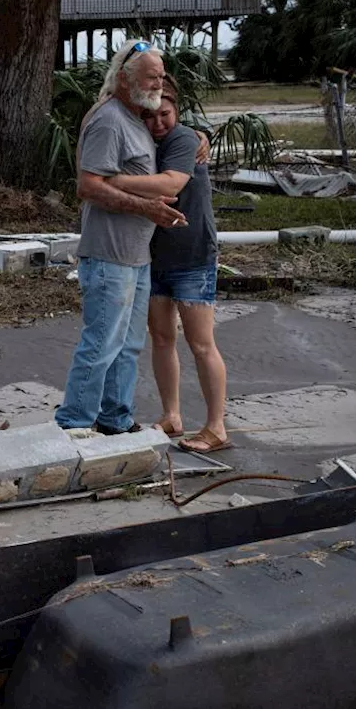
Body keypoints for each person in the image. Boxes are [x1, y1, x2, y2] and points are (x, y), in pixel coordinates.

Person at [54, 41, 187, 435]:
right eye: (152, 75)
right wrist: (146, 208)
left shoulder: (137, 117)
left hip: (135, 256)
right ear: (126, 80)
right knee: (101, 345)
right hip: (109, 255)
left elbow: (175, 128)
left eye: (161, 75)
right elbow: (88, 186)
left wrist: (200, 139)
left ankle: (115, 418)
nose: (159, 81)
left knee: (127, 347)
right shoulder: (110, 120)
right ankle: (74, 424)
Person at [106, 77, 230, 452]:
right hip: (153, 256)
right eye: (151, 116)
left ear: (177, 112)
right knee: (161, 338)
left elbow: (170, 186)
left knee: (201, 343)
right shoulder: (144, 139)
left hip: (192, 256)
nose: (158, 123)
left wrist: (113, 181)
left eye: (166, 114)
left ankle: (216, 426)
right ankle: (171, 415)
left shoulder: (184, 139)